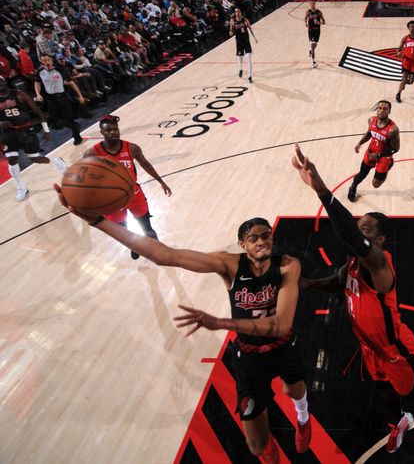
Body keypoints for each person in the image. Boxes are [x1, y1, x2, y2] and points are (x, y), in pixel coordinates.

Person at [51, 193, 312, 464]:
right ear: (242, 244)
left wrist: (222, 323)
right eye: (254, 238)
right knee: (257, 446)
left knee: (293, 390)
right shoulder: (229, 264)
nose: (262, 241)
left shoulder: (287, 265)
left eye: (266, 235)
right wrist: (98, 222)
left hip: (282, 347)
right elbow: (166, 256)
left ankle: (303, 419)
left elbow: (280, 325)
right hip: (249, 356)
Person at [291, 143, 414, 453]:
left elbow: (348, 232)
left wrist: (321, 189)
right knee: (383, 387)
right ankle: (398, 420)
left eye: (365, 228)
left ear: (378, 240)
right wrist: (308, 284)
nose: (358, 229)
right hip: (367, 344)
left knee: (411, 390)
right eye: (358, 224)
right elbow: (338, 282)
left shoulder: (380, 263)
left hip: (394, 346)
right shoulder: (351, 263)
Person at [84, 114, 172, 260]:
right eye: (108, 130)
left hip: (134, 194)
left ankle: (161, 254)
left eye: (115, 129)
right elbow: (88, 178)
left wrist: (161, 181)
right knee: (124, 232)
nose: (112, 132)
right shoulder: (92, 153)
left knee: (148, 229)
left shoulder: (131, 148)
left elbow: (145, 164)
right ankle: (135, 245)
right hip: (112, 200)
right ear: (102, 133)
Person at [1, 76, 68, 201]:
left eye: (0, 81)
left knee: (35, 159)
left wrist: (46, 130)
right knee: (12, 159)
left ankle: (56, 161)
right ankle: (22, 187)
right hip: (8, 133)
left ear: (4, 81)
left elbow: (37, 111)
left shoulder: (19, 94)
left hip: (26, 130)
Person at [347, 100, 399, 202]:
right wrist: (360, 143)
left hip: (384, 156)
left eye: (385, 109)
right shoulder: (371, 120)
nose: (382, 111)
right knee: (361, 174)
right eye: (380, 108)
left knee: (375, 185)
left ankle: (389, 165)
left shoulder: (393, 129)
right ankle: (353, 187)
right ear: (377, 109)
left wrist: (379, 155)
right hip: (371, 152)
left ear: (389, 111)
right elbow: (369, 134)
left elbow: (395, 149)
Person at [33, 54, 85, 145]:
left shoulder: (60, 70)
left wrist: (80, 95)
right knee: (55, 119)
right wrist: (38, 94)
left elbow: (71, 83)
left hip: (62, 96)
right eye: (44, 60)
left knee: (69, 117)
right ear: (41, 62)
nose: (46, 62)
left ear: (51, 60)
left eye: (47, 60)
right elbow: (37, 82)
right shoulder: (40, 71)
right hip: (50, 98)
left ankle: (77, 136)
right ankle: (70, 124)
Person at [396, 20, 414, 103]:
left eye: (413, 26)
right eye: (410, 26)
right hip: (406, 61)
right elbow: (399, 48)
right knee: (404, 79)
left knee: (411, 82)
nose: (412, 28)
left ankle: (403, 84)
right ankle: (398, 94)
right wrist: (398, 53)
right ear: (408, 28)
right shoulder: (405, 38)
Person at [229, 7, 258, 83]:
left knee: (249, 59)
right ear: (235, 13)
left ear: (241, 12)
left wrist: (254, 38)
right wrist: (231, 33)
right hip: (239, 42)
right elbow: (231, 30)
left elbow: (250, 29)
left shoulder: (245, 20)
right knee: (240, 58)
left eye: (238, 11)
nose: (237, 13)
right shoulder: (232, 21)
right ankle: (241, 69)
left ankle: (250, 76)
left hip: (246, 41)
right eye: (236, 12)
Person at [304, 1, 326, 68]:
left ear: (315, 4)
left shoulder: (319, 12)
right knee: (313, 46)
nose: (312, 5)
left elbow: (324, 22)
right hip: (311, 30)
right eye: (311, 4)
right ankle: (313, 62)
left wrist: (318, 22)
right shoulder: (308, 12)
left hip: (317, 30)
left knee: (315, 44)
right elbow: (305, 18)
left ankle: (311, 49)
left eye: (313, 3)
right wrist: (305, 23)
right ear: (310, 4)